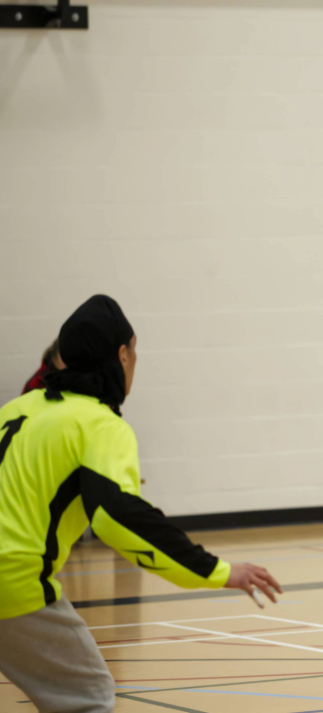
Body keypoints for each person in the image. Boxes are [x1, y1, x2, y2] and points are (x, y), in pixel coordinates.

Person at [0, 295, 283, 713]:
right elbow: (118, 517)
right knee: (88, 698)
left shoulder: (16, 408)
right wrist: (216, 570)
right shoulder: (100, 425)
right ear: (121, 355)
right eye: (135, 351)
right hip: (12, 580)